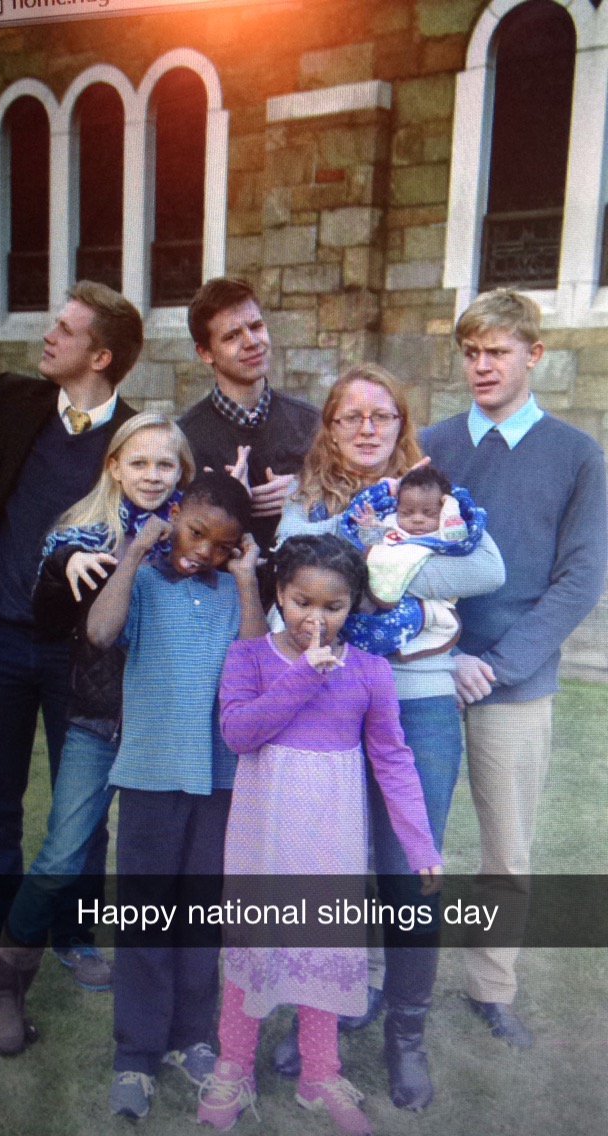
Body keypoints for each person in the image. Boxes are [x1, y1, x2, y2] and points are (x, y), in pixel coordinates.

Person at [273, 363, 505, 1110]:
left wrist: (372, 571)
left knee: (411, 874)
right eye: (351, 415)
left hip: (421, 704)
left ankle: (406, 1034)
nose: (367, 428)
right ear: (331, 427)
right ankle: (322, 1017)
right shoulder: (309, 503)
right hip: (331, 707)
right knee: (333, 872)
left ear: (402, 424)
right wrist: (405, 562)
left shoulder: (432, 495)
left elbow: (488, 568)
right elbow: (290, 596)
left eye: (383, 415)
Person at [196, 534, 442, 1136]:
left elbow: (393, 762)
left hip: (331, 835)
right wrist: (303, 675)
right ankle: (234, 1066)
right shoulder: (249, 658)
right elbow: (239, 734)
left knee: (324, 946)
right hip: (262, 835)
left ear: (353, 605)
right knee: (252, 945)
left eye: (333, 607)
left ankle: (320, 1073)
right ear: (280, 593)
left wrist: (420, 846)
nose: (316, 619)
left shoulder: (370, 672)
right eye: (302, 602)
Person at [420, 288, 608, 1047]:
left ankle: (491, 987)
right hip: (425, 673)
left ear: (535, 355)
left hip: (515, 682)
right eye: (471, 353)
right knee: (407, 841)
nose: (482, 366)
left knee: (506, 849)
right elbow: (401, 559)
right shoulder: (431, 444)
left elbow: (580, 578)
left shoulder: (577, 455)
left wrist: (495, 666)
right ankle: (383, 980)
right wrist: (443, 653)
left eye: (497, 351)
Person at [0, 412, 195, 1056]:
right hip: (100, 717)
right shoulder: (85, 532)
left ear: (182, 470)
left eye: (165, 464)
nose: (152, 475)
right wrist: (67, 562)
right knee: (62, 850)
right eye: (139, 462)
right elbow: (53, 592)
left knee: (164, 863)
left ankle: (171, 999)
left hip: (169, 722)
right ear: (115, 467)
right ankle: (7, 984)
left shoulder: (196, 528)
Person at [0, 281, 142, 989]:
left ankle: (74, 934)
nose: (48, 336)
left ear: (100, 356)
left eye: (65, 330)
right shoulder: (12, 402)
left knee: (85, 803)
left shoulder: (134, 438)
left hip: (84, 654)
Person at [86, 471, 267, 1121]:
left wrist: (245, 580)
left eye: (223, 545)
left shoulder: (231, 592)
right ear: (176, 514)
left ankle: (193, 1036)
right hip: (150, 777)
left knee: (200, 916)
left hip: (219, 779)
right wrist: (135, 551)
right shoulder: (144, 582)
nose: (204, 552)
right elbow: (100, 632)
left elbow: (256, 664)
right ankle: (136, 1051)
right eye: (195, 533)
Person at [178, 276, 320, 562]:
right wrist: (228, 501)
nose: (252, 342)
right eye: (232, 336)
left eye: (256, 326)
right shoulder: (184, 438)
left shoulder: (313, 423)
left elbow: (348, 504)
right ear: (205, 352)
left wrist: (307, 493)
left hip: (303, 578)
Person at [340, 464, 486, 659]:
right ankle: (353, 643)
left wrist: (451, 509)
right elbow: (371, 547)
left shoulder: (443, 533)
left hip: (422, 603)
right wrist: (369, 526)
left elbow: (458, 538)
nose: (417, 519)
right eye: (407, 513)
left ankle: (374, 646)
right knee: (352, 614)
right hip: (373, 596)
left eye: (429, 513)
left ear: (442, 510)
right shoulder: (391, 524)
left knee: (395, 627)